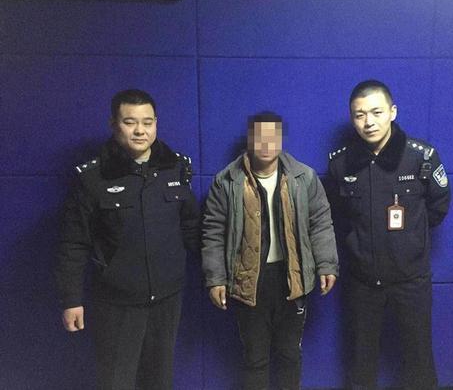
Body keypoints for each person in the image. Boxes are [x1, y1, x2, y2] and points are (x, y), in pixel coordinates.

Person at [55, 89, 200, 390]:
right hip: (116, 303)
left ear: (156, 123)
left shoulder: (175, 168)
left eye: (147, 122)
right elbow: (74, 243)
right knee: (116, 382)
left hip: (167, 299)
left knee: (159, 381)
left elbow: (191, 228)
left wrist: (214, 275)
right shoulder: (93, 177)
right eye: (130, 122)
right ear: (114, 124)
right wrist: (71, 299)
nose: (140, 131)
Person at [202, 112, 339, 390]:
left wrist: (327, 264)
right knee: (254, 358)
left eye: (272, 137)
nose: (266, 144)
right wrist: (215, 278)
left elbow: (321, 222)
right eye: (259, 137)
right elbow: (213, 231)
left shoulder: (304, 177)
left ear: (281, 139)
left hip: (292, 279)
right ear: (249, 139)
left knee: (289, 355)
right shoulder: (227, 181)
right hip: (249, 281)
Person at [328, 80, 451, 390]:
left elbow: (438, 207)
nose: (368, 122)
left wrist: (409, 241)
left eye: (377, 112)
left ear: (393, 112)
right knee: (361, 364)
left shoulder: (421, 157)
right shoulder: (340, 163)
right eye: (359, 115)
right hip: (363, 282)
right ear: (352, 118)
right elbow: (337, 216)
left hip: (411, 280)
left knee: (419, 363)